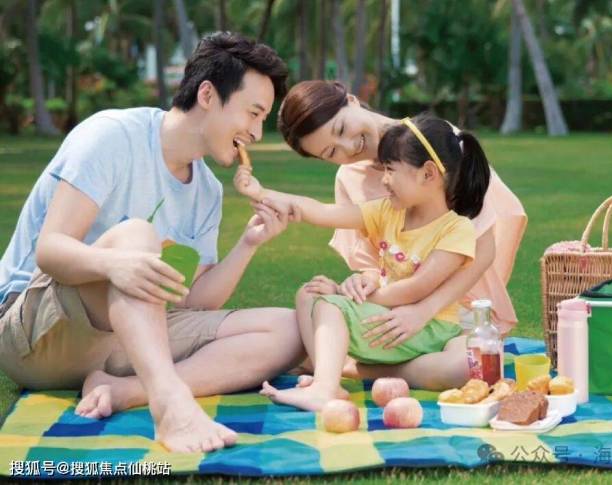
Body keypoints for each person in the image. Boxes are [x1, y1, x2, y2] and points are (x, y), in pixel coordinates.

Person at [0, 33, 304, 453]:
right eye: (253, 114)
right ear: (208, 95)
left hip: (128, 340)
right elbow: (50, 251)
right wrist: (117, 265)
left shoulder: (207, 191)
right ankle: (170, 404)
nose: (255, 132)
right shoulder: (111, 136)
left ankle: (126, 390)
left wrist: (249, 243)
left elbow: (194, 299)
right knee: (137, 235)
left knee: (289, 328)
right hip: (36, 332)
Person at [276, 80, 527, 390]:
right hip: (391, 311)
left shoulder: (433, 141)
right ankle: (347, 368)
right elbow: (374, 263)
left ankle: (355, 369)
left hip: (454, 310)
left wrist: (423, 310)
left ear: (351, 100)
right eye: (331, 151)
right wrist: (359, 283)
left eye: (341, 129)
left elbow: (484, 251)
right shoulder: (349, 179)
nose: (348, 147)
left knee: (468, 364)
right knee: (312, 297)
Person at [234, 114, 490, 410]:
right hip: (387, 319)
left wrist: (344, 295)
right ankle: (328, 378)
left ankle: (328, 384)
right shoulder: (387, 211)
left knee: (331, 305)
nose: (384, 179)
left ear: (428, 174)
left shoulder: (456, 229)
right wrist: (261, 193)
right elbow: (322, 211)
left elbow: (418, 288)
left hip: (427, 328)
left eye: (391, 170)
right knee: (310, 293)